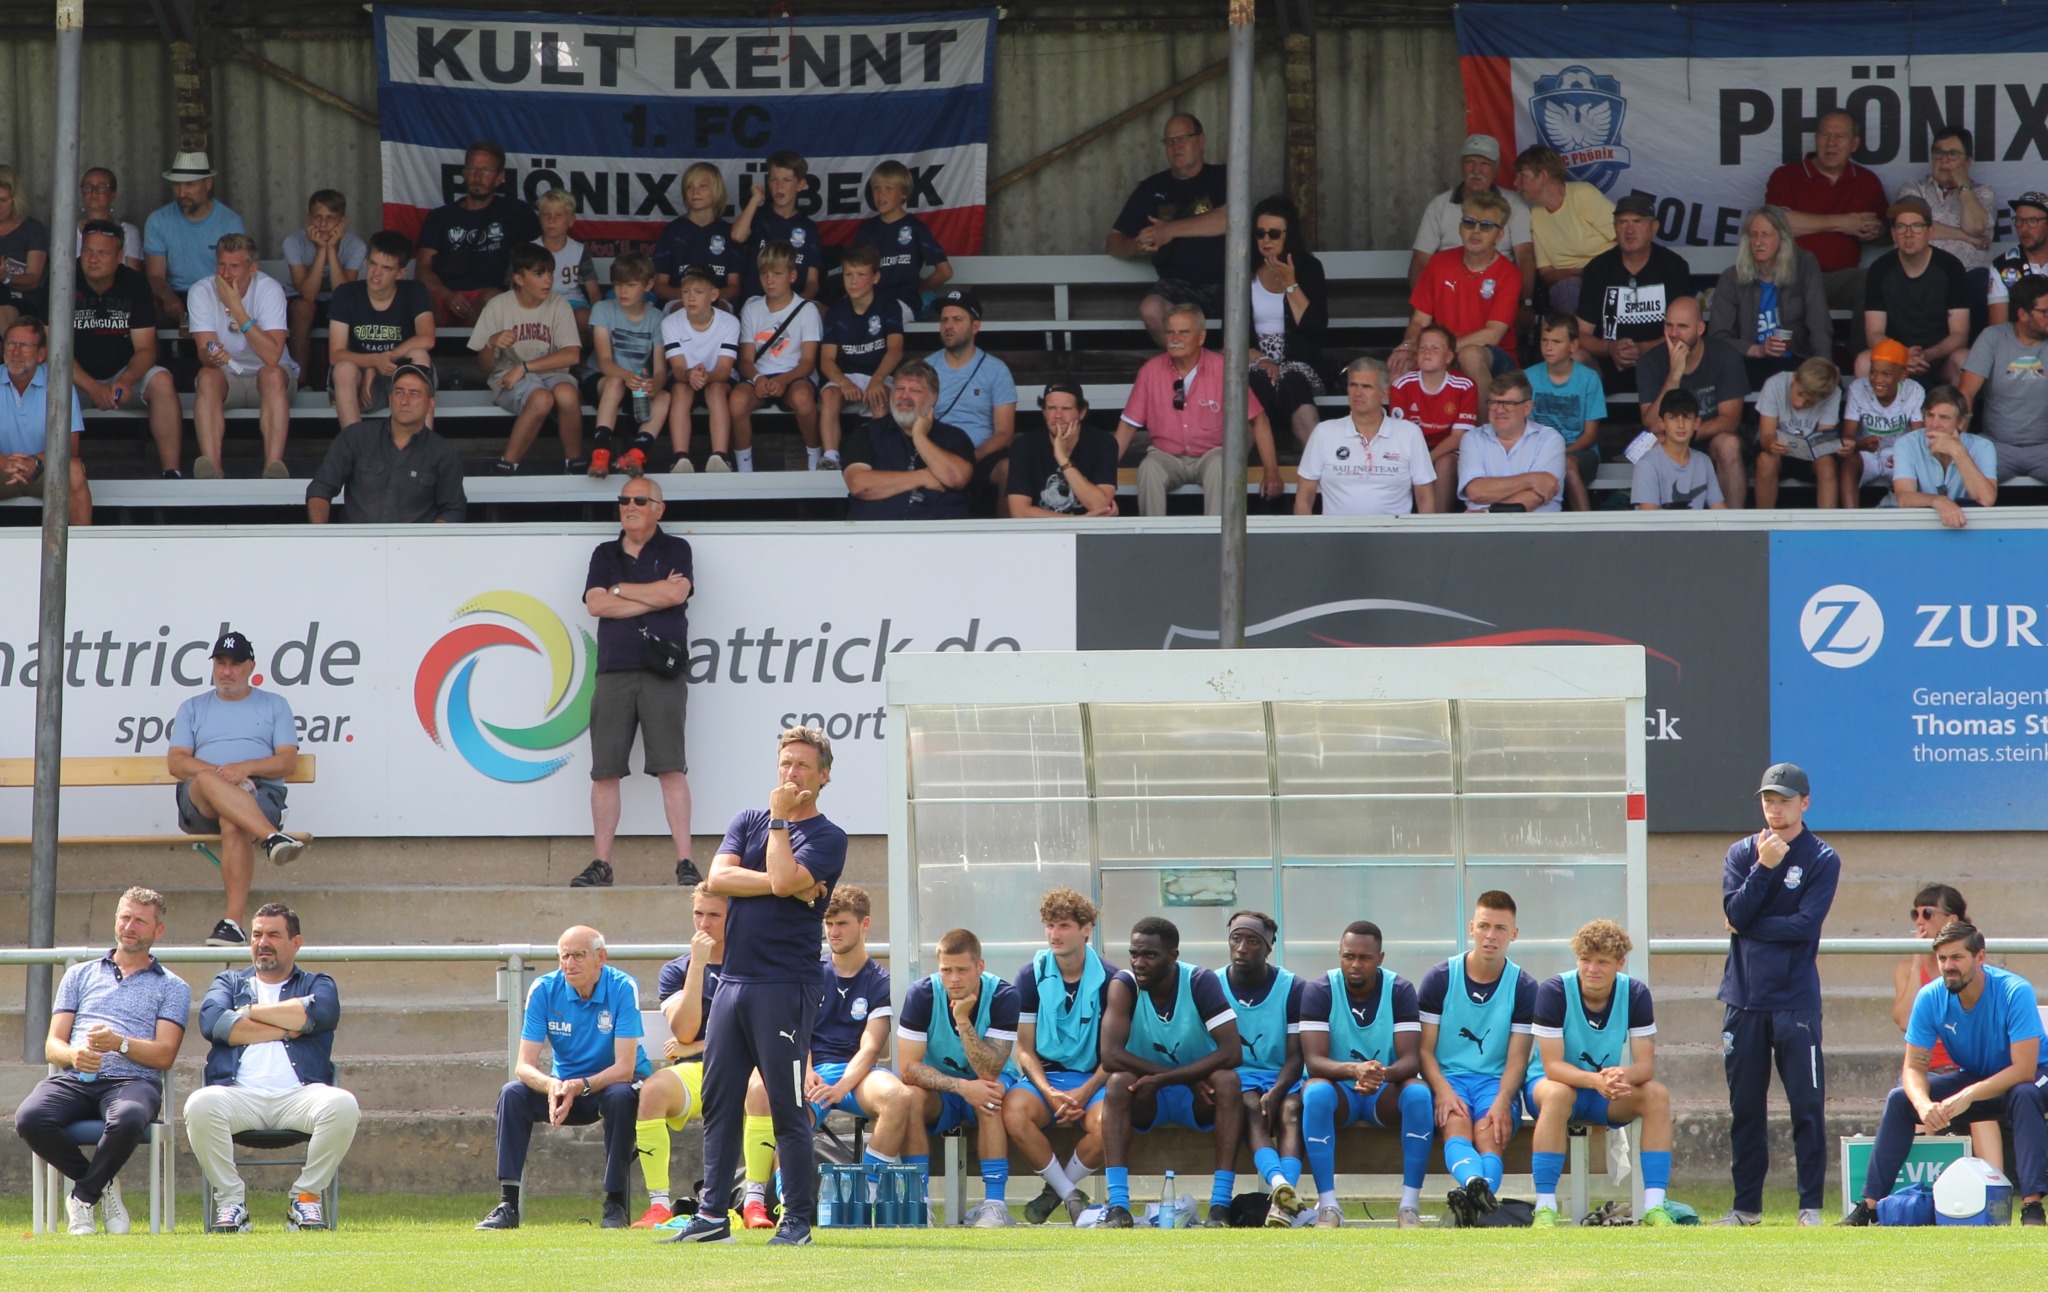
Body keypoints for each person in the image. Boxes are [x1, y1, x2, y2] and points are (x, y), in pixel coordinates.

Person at [661, 726, 847, 1247]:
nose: (792, 772)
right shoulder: (747, 821)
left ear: (824, 775)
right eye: (786, 763)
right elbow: (719, 878)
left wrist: (782, 831)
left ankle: (797, 1222)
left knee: (785, 1106)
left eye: (804, 765)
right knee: (720, 1101)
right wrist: (779, 883)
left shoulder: (829, 836)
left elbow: (786, 875)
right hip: (734, 984)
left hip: (786, 985)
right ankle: (713, 1216)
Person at [1841, 920, 2048, 1228]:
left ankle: (2032, 1206)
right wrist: (1924, 1104)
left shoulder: (2013, 990)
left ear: (1980, 958)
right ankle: (1868, 1207)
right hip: (1978, 1077)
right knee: (1901, 1099)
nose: (1948, 966)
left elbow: (2023, 1069)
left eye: (1957, 957)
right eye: (1942, 959)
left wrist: (1967, 1096)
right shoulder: (1930, 997)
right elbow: (1913, 1067)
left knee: (2023, 1093)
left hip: (2033, 1076)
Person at [12, 887, 190, 1237]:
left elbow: (165, 1054)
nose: (130, 926)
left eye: (140, 920)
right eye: (125, 917)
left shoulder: (173, 986)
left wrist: (120, 1044)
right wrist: (73, 1055)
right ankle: (101, 1185)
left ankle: (83, 1196)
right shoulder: (79, 975)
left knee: (128, 1118)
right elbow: (52, 1044)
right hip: (77, 1076)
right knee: (30, 1118)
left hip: (133, 1081)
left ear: (158, 931)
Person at [188, 902, 359, 1233]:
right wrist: (287, 1026)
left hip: (300, 1096)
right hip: (238, 1095)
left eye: (273, 935)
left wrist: (248, 1013)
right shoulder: (229, 982)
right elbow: (213, 1023)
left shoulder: (317, 982)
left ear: (295, 942)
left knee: (343, 1104)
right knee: (199, 1104)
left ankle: (305, 1198)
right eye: (256, 934)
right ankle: (231, 1202)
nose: (262, 942)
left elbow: (321, 1013)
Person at [1719, 762, 1839, 1227]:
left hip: (1796, 1001)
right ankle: (1746, 1208)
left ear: (1804, 803)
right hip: (1744, 999)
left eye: (1784, 800)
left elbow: (1804, 926)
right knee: (1745, 1110)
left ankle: (1809, 1208)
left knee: (1806, 1108)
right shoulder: (1741, 853)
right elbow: (1735, 908)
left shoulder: (1822, 857)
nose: (1775, 808)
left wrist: (1746, 925)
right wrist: (1765, 869)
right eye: (1769, 799)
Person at [476, 925, 651, 1231]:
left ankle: (615, 1206)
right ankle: (507, 1205)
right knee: (513, 1093)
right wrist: (552, 1085)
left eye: (579, 955)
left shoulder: (623, 987)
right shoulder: (544, 989)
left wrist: (579, 1085)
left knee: (621, 1096)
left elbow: (625, 1068)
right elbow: (523, 1066)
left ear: (601, 958)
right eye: (564, 956)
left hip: (610, 1085)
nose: (570, 964)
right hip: (565, 1090)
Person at [577, 476, 695, 889]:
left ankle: (685, 861)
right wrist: (651, 593)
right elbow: (595, 604)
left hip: (663, 672)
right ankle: (601, 863)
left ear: (658, 508)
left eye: (640, 500)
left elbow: (675, 597)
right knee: (605, 771)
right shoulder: (604, 552)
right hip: (613, 672)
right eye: (624, 499)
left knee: (670, 767)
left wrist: (621, 591)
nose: (630, 505)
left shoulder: (676, 548)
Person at [1525, 919, 1676, 1227]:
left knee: (1657, 1094)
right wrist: (1596, 1079)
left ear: (1620, 963)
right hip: (1549, 1086)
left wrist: (1623, 1075)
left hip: (1602, 1092)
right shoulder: (1554, 990)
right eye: (1585, 960)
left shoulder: (1634, 993)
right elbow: (1552, 1067)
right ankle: (1545, 1207)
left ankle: (1654, 1206)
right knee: (1558, 1093)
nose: (1592, 968)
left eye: (1602, 962)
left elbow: (1645, 1066)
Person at [1099, 916, 1244, 1229]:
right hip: (1148, 1096)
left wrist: (1170, 1078)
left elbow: (1232, 1051)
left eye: (1150, 956)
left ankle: (1220, 1206)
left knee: (1228, 1081)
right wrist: (1178, 1078)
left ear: (1173, 957)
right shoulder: (1123, 985)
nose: (1139, 963)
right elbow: (1110, 1056)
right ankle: (1118, 1206)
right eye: (1134, 954)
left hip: (1197, 1099)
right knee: (1117, 1082)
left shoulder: (1199, 981)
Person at [167, 630, 309, 947]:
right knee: (206, 780)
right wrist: (221, 777)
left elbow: (287, 761)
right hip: (200, 800)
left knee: (233, 820)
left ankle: (232, 923)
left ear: (251, 667)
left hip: (259, 795)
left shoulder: (275, 705)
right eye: (221, 662)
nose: (227, 671)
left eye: (235, 663)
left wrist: (245, 769)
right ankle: (272, 837)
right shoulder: (193, 707)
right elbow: (177, 762)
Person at [1299, 920, 1429, 1230]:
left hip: (1384, 1093)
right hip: (1340, 1094)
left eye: (1365, 958)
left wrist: (1379, 1075)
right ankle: (1328, 1207)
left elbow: (1411, 1061)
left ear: (1380, 958)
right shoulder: (1319, 990)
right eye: (1348, 956)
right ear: (1340, 955)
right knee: (1315, 1091)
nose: (1355, 964)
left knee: (1419, 1093)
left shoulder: (1399, 990)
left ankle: (1409, 1208)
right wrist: (1355, 1069)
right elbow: (1314, 1061)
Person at [1418, 891, 1537, 1227]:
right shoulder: (1440, 978)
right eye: (1484, 926)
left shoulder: (1525, 986)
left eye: (1501, 928)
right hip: (1450, 1079)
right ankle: (1475, 1187)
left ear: (1514, 934)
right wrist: (1441, 1090)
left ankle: (1471, 1197)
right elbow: (1424, 1050)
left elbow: (1517, 1058)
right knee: (1455, 1123)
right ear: (1471, 927)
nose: (1491, 935)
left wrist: (1502, 1101)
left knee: (1489, 1134)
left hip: (1495, 1083)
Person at [1002, 886, 1117, 1225]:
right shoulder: (1029, 976)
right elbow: (1023, 1049)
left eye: (1064, 925)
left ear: (1086, 929)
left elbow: (1115, 1054)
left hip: (1094, 1081)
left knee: (1109, 1123)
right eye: (1049, 925)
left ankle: (1056, 1191)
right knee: (1013, 1110)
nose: (1054, 934)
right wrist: (1049, 1092)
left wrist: (1084, 1091)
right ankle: (1071, 1195)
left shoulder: (1113, 980)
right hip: (1044, 1080)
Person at [896, 927, 1022, 1227]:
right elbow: (909, 1069)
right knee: (910, 1096)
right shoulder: (922, 994)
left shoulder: (1004, 995)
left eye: (962, 970)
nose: (953, 978)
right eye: (946, 970)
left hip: (988, 1083)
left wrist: (962, 1018)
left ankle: (994, 1204)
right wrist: (962, 1087)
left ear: (980, 966)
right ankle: (919, 1202)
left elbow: (989, 1070)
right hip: (942, 1091)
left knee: (990, 1094)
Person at [1115, 302, 1280, 517]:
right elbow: (1128, 426)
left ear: (1201, 337)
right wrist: (1105, 472)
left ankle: (1217, 544)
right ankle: (1153, 542)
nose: (1175, 338)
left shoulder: (1223, 368)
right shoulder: (1150, 370)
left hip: (1213, 453)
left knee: (1221, 466)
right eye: (1170, 332)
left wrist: (1272, 471)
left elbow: (1259, 420)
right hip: (1167, 455)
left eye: (1183, 332)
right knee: (1148, 468)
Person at [632, 886, 727, 1228]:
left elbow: (753, 1035)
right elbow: (685, 1031)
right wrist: (698, 965)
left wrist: (700, 1046)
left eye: (714, 915)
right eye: (698, 914)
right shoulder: (678, 970)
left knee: (762, 1090)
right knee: (653, 1090)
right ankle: (658, 1205)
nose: (704, 924)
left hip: (745, 1068)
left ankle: (756, 1203)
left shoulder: (752, 964)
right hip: (696, 1073)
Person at [1889, 885, 2002, 1168]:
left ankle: (1997, 1182)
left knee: (1981, 1111)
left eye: (1927, 913)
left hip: (1964, 1066)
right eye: (1914, 914)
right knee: (1914, 1102)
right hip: (1928, 1067)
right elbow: (1904, 1020)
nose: (1919, 921)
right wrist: (1917, 963)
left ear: (1952, 920)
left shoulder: (1972, 968)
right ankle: (1921, 1192)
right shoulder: (1905, 969)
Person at [1107, 113, 1230, 347]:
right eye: (1169, 141)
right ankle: (1192, 372)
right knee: (1151, 308)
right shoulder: (1152, 188)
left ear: (1201, 141)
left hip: (1230, 281)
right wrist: (1136, 245)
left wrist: (1169, 230)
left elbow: (1229, 219)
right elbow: (1113, 242)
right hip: (1178, 286)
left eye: (1183, 138)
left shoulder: (1223, 177)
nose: (1176, 146)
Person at [72, 220, 180, 477]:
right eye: (87, 251)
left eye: (102, 253)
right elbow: (54, 352)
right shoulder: (62, 279)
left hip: (122, 378)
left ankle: (171, 472)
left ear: (120, 256)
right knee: (50, 386)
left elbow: (145, 349)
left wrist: (127, 380)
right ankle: (68, 473)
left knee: (162, 380)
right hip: (76, 381)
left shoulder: (134, 283)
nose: (93, 259)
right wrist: (92, 386)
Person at [1221, 910, 1307, 1228]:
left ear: (1269, 946)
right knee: (1249, 1106)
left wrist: (1278, 1090)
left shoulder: (1293, 987)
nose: (1242, 947)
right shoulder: (1211, 984)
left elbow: (1297, 1057)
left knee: (1292, 1110)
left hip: (1282, 1077)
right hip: (1237, 1079)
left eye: (1253, 941)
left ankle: (1283, 1205)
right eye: (1236, 938)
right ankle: (1279, 1186)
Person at [189, 233, 298, 480]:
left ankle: (273, 467)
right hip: (228, 378)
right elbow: (204, 352)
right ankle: (212, 470)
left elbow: (272, 356)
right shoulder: (201, 291)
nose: (226, 274)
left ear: (253, 268)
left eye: (235, 266)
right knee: (206, 376)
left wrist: (237, 309)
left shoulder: (269, 289)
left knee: (271, 374)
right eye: (222, 265)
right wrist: (212, 357)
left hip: (271, 379)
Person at [471, 242, 583, 474]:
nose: (548, 280)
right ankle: (508, 464)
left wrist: (525, 367)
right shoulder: (498, 305)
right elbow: (483, 368)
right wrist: (491, 343)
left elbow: (572, 354)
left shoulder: (559, 303)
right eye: (539, 274)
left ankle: (574, 463)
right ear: (519, 279)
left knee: (567, 393)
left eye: (550, 273)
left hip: (546, 373)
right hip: (508, 377)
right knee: (541, 398)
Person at [305, 362, 465, 523]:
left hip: (414, 545)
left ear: (430, 404)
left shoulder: (443, 452)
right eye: (399, 392)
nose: (404, 400)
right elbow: (320, 489)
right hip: (356, 544)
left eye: (415, 393)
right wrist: (322, 538)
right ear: (390, 399)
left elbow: (453, 510)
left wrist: (425, 544)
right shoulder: (356, 437)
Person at [1392, 189, 1522, 389]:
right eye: (1470, 223)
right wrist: (1410, 346)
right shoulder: (1439, 263)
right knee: (1399, 363)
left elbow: (1492, 334)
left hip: (1493, 357)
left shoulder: (1509, 273)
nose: (1476, 231)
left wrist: (1442, 350)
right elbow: (1419, 321)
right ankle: (1405, 421)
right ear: (1460, 228)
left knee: (1469, 355)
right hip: (1442, 350)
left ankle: (1482, 422)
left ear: (1499, 235)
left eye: (1486, 226)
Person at [1765, 109, 1888, 311]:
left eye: (1840, 136)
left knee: (1872, 282)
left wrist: (1876, 231)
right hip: (1791, 279)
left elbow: (1887, 232)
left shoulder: (1867, 181)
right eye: (1824, 134)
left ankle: (1865, 345)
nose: (1831, 142)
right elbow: (1777, 223)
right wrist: (1844, 223)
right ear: (1815, 139)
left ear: (1854, 144)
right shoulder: (1787, 175)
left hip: (1838, 282)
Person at [1637, 296, 1751, 508]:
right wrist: (1673, 376)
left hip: (1710, 438)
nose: (1673, 333)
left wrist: (1685, 433)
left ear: (1700, 328)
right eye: (1669, 325)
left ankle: (1733, 526)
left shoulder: (1725, 356)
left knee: (1729, 444)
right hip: (1669, 439)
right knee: (1652, 444)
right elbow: (1652, 424)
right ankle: (1664, 526)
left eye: (1682, 326)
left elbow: (1730, 421)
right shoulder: (1651, 361)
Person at [416, 141, 541, 328]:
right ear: (464, 173)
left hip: (484, 302)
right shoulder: (440, 217)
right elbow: (422, 268)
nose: (477, 176)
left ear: (500, 178)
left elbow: (541, 253)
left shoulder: (515, 213)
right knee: (419, 296)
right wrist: (447, 296)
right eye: (472, 168)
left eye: (486, 170)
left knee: (496, 299)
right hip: (442, 299)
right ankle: (418, 357)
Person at [1707, 205, 1834, 387]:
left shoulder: (1805, 264)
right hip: (1750, 362)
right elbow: (1718, 337)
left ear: (1782, 239)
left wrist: (1824, 364)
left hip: (1798, 359)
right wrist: (1757, 350)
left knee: (1827, 385)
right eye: (1753, 235)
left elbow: (1819, 321)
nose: (1758, 242)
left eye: (1765, 235)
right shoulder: (1731, 278)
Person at [1295, 356, 1438, 517]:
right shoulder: (1324, 432)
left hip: (1393, 535)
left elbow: (1424, 497)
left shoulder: (1409, 433)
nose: (1358, 393)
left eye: (1366, 387)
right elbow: (1304, 497)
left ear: (1383, 394)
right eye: (1353, 385)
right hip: (1337, 537)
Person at [325, 230, 436, 429]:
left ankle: (421, 446)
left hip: (400, 374)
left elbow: (427, 338)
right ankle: (354, 449)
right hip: (360, 384)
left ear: (401, 272)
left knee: (420, 355)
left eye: (386, 268)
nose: (376, 273)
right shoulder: (346, 293)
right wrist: (372, 362)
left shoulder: (414, 291)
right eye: (373, 264)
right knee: (343, 369)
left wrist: (380, 362)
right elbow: (336, 354)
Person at [842, 357, 975, 520]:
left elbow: (956, 478)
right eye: (899, 388)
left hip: (939, 538)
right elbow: (859, 485)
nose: (905, 396)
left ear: (933, 398)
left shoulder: (954, 437)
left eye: (915, 390)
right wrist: (923, 477)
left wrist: (919, 437)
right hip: (876, 537)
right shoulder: (868, 434)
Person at [1574, 192, 1689, 376]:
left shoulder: (1673, 266)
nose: (1629, 230)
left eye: (1637, 221)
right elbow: (1581, 333)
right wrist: (1610, 348)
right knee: (1575, 358)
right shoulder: (1598, 268)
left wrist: (1643, 348)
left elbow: (1685, 330)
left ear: (1654, 228)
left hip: (1661, 360)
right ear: (1615, 228)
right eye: (1622, 222)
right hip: (1609, 362)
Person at [731, 241, 822, 472]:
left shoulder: (807, 309)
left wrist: (784, 379)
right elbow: (745, 361)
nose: (769, 280)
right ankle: (744, 468)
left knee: (803, 398)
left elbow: (809, 362)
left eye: (777, 274)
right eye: (764, 274)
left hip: (794, 376)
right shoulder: (752, 308)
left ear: (792, 275)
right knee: (737, 400)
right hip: (759, 377)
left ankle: (815, 458)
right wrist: (759, 379)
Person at [1407, 134, 1537, 295]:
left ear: (1496, 168)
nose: (1476, 170)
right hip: (1450, 289)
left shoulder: (1515, 203)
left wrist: (1525, 302)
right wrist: (1421, 307)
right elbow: (1420, 260)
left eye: (1484, 164)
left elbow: (1524, 256)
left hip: (1498, 290)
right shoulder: (1439, 205)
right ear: (1461, 165)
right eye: (1470, 162)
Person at [1247, 196, 1329, 446]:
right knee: (1256, 381)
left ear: (1288, 234)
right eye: (1260, 233)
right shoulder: (1241, 268)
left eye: (1274, 233)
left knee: (1292, 380)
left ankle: (1319, 466)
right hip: (1253, 360)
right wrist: (1262, 359)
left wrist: (1291, 284)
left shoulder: (1309, 268)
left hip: (1300, 363)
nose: (1266, 240)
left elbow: (1315, 327)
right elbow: (1231, 335)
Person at [1860, 197, 1969, 384]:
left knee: (1964, 359)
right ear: (1894, 234)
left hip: (1939, 357)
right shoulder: (1880, 269)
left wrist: (1927, 354)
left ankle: (1957, 413)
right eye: (1901, 227)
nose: (1908, 234)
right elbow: (1873, 333)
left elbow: (1959, 334)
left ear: (1930, 231)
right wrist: (1902, 355)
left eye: (1916, 226)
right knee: (1863, 362)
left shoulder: (1950, 267)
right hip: (1895, 359)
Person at [818, 242, 904, 470]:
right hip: (847, 376)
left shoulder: (888, 306)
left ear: (875, 277)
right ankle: (831, 458)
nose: (853, 281)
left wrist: (877, 380)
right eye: (848, 274)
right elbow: (826, 360)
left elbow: (895, 349)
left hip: (880, 375)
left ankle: (880, 458)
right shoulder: (836, 311)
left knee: (880, 398)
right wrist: (844, 382)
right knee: (829, 397)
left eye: (860, 274)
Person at [584, 253, 668, 479]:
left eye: (631, 285)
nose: (623, 291)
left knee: (665, 397)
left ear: (649, 285)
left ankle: (637, 454)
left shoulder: (658, 318)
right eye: (618, 284)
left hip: (637, 385)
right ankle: (600, 454)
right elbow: (604, 362)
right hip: (603, 379)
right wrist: (626, 376)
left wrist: (655, 385)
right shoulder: (603, 309)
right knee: (615, 383)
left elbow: (660, 370)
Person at [0, 316, 92, 524]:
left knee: (75, 471)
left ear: (41, 354)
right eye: (11, 344)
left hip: (43, 471)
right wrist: (4, 461)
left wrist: (36, 461)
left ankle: (83, 553)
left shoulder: (59, 384)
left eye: (24, 346)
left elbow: (71, 447)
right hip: (2, 471)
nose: (15, 353)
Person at [928, 289, 1018, 494]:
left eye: (957, 319)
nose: (948, 326)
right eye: (944, 320)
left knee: (1009, 469)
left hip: (981, 455)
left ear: (975, 326)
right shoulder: (926, 368)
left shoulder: (996, 370)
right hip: (937, 455)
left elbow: (1004, 433)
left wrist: (973, 456)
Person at [1896, 127, 1995, 313]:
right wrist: (1966, 238)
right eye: (1939, 152)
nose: (1944, 159)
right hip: (1923, 276)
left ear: (1968, 161)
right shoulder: (1914, 188)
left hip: (1969, 277)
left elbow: (1975, 228)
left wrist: (1964, 186)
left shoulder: (1983, 192)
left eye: (1953, 154)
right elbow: (1914, 227)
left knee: (1982, 280)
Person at [1960, 274, 2048, 483]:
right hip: (1996, 446)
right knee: (1961, 480)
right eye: (2045, 312)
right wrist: (1959, 442)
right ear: (2023, 314)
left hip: (2045, 446)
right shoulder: (1993, 338)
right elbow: (1966, 391)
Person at [143, 151, 244, 329]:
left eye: (190, 184)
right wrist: (167, 297)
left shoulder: (230, 222)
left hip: (217, 295)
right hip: (176, 295)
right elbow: (155, 276)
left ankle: (212, 353)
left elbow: (236, 276)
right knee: (146, 307)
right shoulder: (158, 220)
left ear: (208, 184)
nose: (182, 193)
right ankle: (156, 356)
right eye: (176, 185)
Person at [1512, 146, 1614, 317]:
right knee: (1569, 288)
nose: (1516, 182)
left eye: (1522, 175)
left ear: (1543, 175)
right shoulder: (1535, 214)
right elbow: (1546, 273)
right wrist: (1584, 273)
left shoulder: (1582, 194)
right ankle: (1578, 342)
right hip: (1570, 286)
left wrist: (1600, 274)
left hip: (1610, 276)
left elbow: (1627, 236)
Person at [659, 264, 741, 472]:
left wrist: (706, 376)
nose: (691, 298)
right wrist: (689, 375)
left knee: (715, 390)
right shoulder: (670, 323)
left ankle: (720, 457)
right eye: (686, 292)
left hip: (718, 378)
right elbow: (677, 369)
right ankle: (680, 458)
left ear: (714, 294)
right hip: (686, 378)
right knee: (680, 390)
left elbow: (724, 369)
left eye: (698, 292)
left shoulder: (730, 323)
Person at [1389, 324, 1477, 512]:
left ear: (1448, 357)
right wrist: (1419, 459)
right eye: (1423, 348)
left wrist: (1428, 459)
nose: (1427, 352)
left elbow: (1459, 436)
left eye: (1435, 348)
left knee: (1444, 464)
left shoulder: (1464, 386)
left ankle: (1436, 525)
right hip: (1413, 448)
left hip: (1448, 448)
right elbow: (1400, 433)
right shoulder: (1401, 384)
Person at [281, 189, 366, 377]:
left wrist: (333, 249)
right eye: (317, 217)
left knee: (350, 310)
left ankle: (344, 378)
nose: (323, 224)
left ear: (343, 220)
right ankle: (300, 381)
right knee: (305, 308)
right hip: (298, 303)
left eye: (331, 218)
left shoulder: (355, 245)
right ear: (308, 219)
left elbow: (345, 293)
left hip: (337, 301)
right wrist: (321, 249)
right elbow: (308, 294)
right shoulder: (294, 242)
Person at [1525, 314, 1606, 511]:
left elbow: (1590, 435)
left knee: (1567, 465)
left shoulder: (1589, 379)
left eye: (1556, 342)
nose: (1548, 347)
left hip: (1579, 452)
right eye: (1544, 340)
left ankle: (1584, 528)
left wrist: (1558, 453)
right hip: (1538, 452)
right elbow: (1528, 427)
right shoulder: (1528, 377)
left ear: (1573, 345)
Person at [856, 160, 952, 324]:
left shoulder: (916, 228)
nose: (881, 195)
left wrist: (916, 291)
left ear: (904, 193)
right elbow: (856, 270)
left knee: (880, 317)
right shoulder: (867, 229)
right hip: (870, 300)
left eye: (888, 189)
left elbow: (945, 272)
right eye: (876, 188)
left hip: (904, 303)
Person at [1005, 381, 1119, 518]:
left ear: (1082, 412)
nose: (1058, 415)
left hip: (1091, 535)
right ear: (1044, 412)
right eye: (1052, 408)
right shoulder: (1024, 445)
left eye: (1065, 409)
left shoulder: (1103, 442)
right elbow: (1019, 512)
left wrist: (1063, 459)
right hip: (1041, 535)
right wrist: (1077, 521)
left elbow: (1100, 506)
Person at [1458, 371, 1566, 513]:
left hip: (1536, 529)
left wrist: (1486, 513)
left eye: (1509, 404)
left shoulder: (1549, 439)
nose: (1499, 410)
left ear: (1527, 408)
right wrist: (1531, 480)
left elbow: (1534, 497)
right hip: (1483, 532)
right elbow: (1475, 491)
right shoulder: (1472, 438)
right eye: (1494, 403)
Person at [1892, 383, 1997, 527]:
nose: (1934, 424)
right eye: (1930, 415)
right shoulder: (1906, 444)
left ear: (1961, 423)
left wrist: (1958, 451)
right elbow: (1904, 497)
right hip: (1919, 526)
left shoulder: (1983, 446)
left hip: (1968, 527)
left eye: (1944, 417)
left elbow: (1986, 499)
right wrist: (1938, 501)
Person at [1838, 338, 1925, 507]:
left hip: (1900, 456)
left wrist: (1905, 455)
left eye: (1886, 374)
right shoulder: (1857, 388)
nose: (1877, 379)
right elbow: (1848, 437)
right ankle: (1850, 519)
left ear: (1903, 375)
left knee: (1922, 462)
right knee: (1848, 460)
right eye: (1873, 372)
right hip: (1867, 454)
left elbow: (1918, 437)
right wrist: (1861, 444)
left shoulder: (1914, 390)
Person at [731, 151, 822, 303]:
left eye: (786, 180)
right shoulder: (757, 217)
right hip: (757, 301)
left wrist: (799, 304)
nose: (779, 186)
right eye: (774, 179)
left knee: (822, 312)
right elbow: (737, 236)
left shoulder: (808, 228)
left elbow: (812, 281)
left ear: (800, 185)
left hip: (794, 302)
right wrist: (755, 200)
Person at [1753, 357, 1844, 510]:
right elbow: (1766, 435)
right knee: (1766, 460)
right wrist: (1772, 444)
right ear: (1794, 379)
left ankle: (1828, 525)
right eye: (1799, 394)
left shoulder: (1833, 393)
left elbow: (1823, 438)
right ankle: (1764, 521)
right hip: (1778, 452)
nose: (1799, 403)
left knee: (1827, 464)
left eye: (1810, 402)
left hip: (1811, 457)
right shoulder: (1775, 384)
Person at [651, 163, 741, 306]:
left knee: (722, 311)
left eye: (702, 186)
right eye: (689, 186)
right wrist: (690, 298)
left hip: (717, 303)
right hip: (679, 303)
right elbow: (660, 286)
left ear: (717, 190)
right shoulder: (671, 231)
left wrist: (709, 299)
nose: (695, 191)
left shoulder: (729, 233)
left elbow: (734, 286)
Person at [1631, 388, 1725, 510]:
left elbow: (1720, 511)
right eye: (1673, 417)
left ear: (1696, 422)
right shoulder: (1647, 464)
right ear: (1661, 423)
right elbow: (1649, 521)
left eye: (1686, 417)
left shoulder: (1704, 461)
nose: (1681, 425)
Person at [536, 188, 602, 352]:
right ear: (539, 218)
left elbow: (593, 290)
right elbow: (515, 286)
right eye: (546, 214)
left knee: (583, 316)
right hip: (540, 301)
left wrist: (600, 318)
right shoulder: (531, 249)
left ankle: (573, 364)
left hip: (572, 301)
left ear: (571, 220)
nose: (551, 220)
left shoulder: (578, 250)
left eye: (558, 215)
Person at [0, 168, 49, 335]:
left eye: (3, 200)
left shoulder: (32, 230)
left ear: (15, 200)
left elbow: (33, 279)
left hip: (25, 303)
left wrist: (6, 277)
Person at [1988, 191, 2048, 327]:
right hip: (2021, 345)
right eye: (2019, 220)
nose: (2024, 228)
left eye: (2033, 221)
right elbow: (1998, 329)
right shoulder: (2002, 265)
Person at [76, 167, 143, 270]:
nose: (94, 192)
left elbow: (133, 278)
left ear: (113, 194)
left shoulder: (129, 232)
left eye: (102, 187)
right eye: (88, 186)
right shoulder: (68, 232)